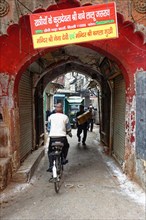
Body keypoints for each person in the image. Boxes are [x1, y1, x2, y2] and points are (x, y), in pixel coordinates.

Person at [47, 103, 72, 172]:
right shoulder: (65, 117)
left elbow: (48, 128)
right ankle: (63, 158)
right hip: (62, 137)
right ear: (62, 109)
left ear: (55, 109)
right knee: (66, 146)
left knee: (50, 151)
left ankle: (51, 165)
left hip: (53, 138)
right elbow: (68, 128)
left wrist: (51, 133)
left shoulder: (51, 117)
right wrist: (69, 133)